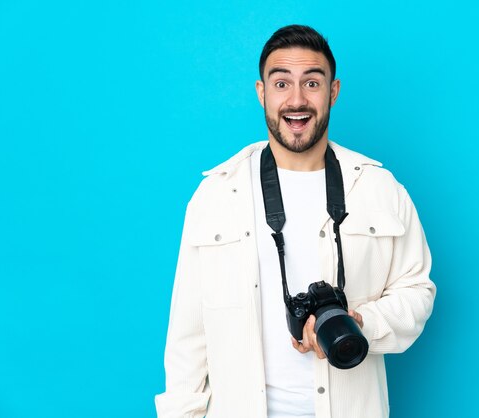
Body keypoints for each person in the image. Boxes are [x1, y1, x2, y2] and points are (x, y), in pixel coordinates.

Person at [155, 24, 436, 418]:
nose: (297, 99)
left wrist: (360, 323)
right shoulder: (217, 195)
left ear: (333, 92)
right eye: (282, 83)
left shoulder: (378, 188)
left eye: (312, 83)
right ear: (262, 93)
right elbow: (188, 335)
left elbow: (417, 290)